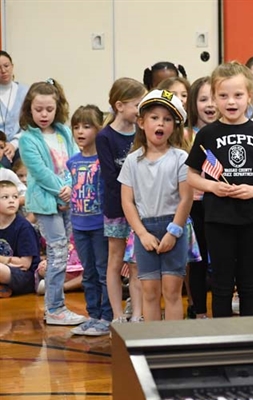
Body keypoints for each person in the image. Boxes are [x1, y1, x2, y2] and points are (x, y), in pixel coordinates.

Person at [185, 61, 253, 318]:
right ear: (215, 99)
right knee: (221, 284)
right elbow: (191, 175)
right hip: (218, 219)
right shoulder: (207, 135)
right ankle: (221, 339)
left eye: (238, 95)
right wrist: (213, 186)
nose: (231, 101)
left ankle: (249, 337)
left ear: (250, 97)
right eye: (224, 95)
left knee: (249, 284)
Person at [118, 90, 192, 321]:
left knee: (172, 291)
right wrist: (141, 233)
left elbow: (186, 198)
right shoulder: (132, 160)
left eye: (167, 119)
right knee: (149, 292)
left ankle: (174, 345)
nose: (161, 123)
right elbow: (127, 201)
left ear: (174, 126)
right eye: (154, 118)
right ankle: (154, 345)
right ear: (141, 122)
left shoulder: (180, 157)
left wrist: (174, 231)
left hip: (174, 228)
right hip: (145, 231)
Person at [18, 79, 86, 326]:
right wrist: (61, 190)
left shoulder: (64, 132)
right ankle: (54, 308)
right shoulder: (27, 139)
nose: (44, 114)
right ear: (29, 109)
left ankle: (57, 306)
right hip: (46, 202)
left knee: (63, 253)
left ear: (58, 108)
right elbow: (39, 171)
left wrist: (69, 187)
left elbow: (72, 160)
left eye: (49, 109)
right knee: (56, 252)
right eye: (38, 110)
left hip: (66, 198)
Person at [96, 77, 146, 324]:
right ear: (119, 106)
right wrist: (129, 200)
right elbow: (110, 176)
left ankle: (137, 313)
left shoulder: (142, 132)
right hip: (116, 208)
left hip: (141, 207)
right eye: (137, 105)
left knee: (136, 263)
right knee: (115, 260)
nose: (141, 111)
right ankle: (116, 314)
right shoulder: (105, 137)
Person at [66, 105, 112, 335]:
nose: (80, 131)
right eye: (76, 127)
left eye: (86, 126)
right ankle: (93, 314)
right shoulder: (72, 161)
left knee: (104, 271)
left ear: (98, 129)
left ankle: (108, 315)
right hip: (79, 225)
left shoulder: (103, 160)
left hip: (100, 225)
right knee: (88, 272)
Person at [183, 76, 216, 319]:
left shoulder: (226, 131)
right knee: (198, 259)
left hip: (222, 202)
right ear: (193, 103)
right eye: (204, 99)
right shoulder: (185, 135)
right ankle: (199, 309)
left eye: (215, 98)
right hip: (194, 205)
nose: (211, 104)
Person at [0, 180, 40, 298]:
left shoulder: (24, 227)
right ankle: (3, 288)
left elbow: (25, 264)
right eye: (5, 197)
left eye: (15, 197)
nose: (11, 200)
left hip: (25, 276)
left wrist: (2, 260)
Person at [0, 51, 28, 167]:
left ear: (12, 66)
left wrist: (14, 144)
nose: (3, 71)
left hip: (22, 143)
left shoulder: (26, 92)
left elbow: (30, 125)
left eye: (6, 66)